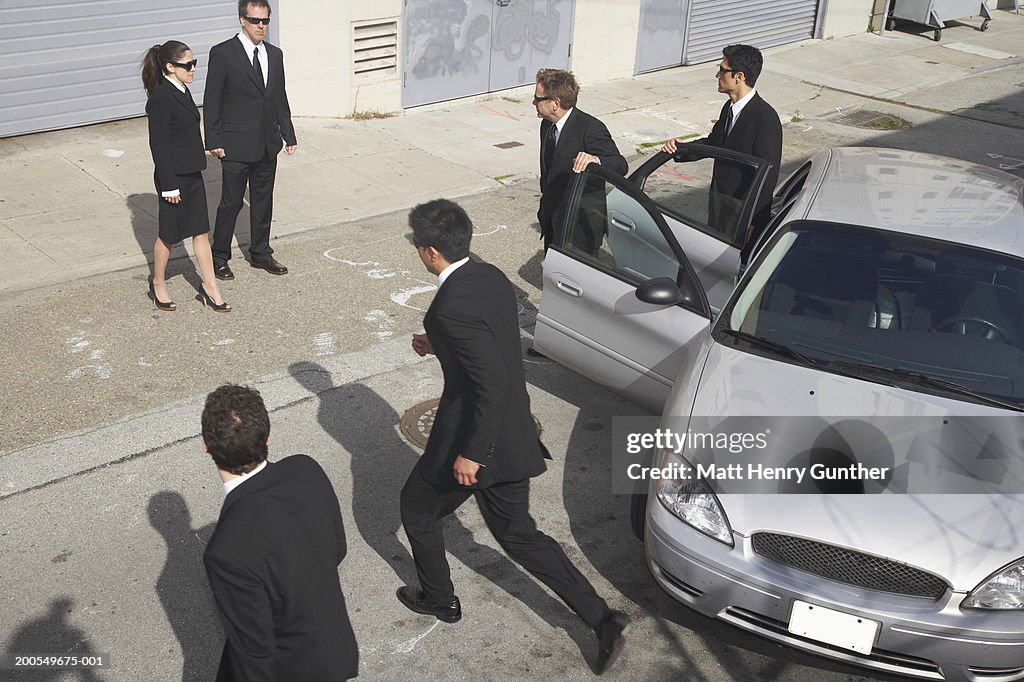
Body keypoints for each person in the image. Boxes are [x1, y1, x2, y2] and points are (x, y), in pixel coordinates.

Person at [398, 199, 630, 675]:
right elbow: (489, 343)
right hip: (511, 435)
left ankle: (439, 599)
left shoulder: (448, 308)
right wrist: (436, 344)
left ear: (429, 252)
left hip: (473, 443)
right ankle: (603, 620)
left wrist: (471, 455)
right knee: (519, 536)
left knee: (417, 509)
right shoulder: (489, 277)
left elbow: (493, 382)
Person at [201, 384, 358, 680]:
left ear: (205, 445)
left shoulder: (224, 553)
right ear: (268, 438)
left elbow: (255, 652)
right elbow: (338, 548)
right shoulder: (306, 469)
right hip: (334, 652)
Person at [662, 44, 782, 268]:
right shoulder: (729, 108)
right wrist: (680, 150)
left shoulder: (765, 119)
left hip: (742, 217)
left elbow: (767, 176)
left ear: (739, 76)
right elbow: (715, 144)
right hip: (720, 207)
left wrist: (754, 222)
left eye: (722, 70)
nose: (717, 75)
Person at [204, 0, 296, 280]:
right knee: (231, 202)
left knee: (263, 200)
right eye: (256, 21)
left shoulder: (275, 54)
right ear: (242, 20)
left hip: (267, 142)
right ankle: (219, 256)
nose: (261, 26)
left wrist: (287, 133)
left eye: (265, 21)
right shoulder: (223, 53)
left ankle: (261, 253)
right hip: (235, 144)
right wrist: (214, 139)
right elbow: (212, 100)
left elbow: (279, 96)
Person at [141, 41, 230, 312]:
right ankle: (158, 283)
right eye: (187, 65)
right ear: (170, 67)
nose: (193, 69)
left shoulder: (182, 90)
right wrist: (168, 185)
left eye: (194, 63)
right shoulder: (161, 99)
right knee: (169, 235)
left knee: (201, 231)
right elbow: (159, 145)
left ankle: (210, 286)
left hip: (192, 173)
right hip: (173, 178)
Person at [535, 68, 627, 253]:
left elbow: (620, 164)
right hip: (553, 218)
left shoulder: (590, 128)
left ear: (555, 103)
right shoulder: (547, 124)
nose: (533, 102)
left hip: (579, 224)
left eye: (538, 99)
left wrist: (596, 160)